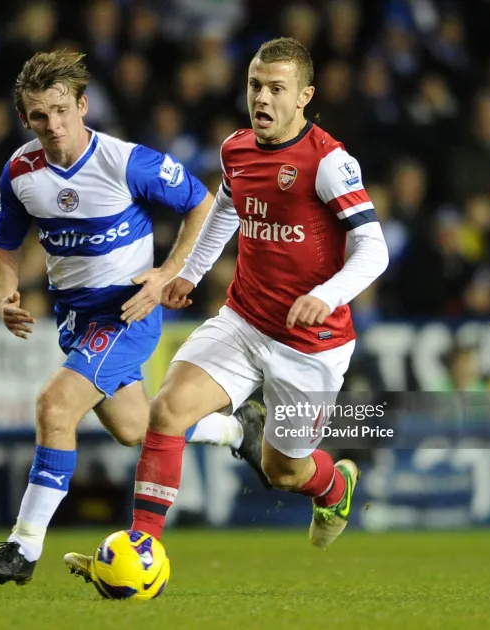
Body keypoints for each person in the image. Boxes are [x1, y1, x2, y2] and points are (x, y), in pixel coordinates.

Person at [64, 37, 389, 580]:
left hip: (312, 344)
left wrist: (325, 294)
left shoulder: (329, 163)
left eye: (277, 89)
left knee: (283, 471)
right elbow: (226, 209)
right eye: (255, 85)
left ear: (305, 96)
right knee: (166, 412)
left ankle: (336, 486)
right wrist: (187, 273)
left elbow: (373, 248)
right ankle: (142, 551)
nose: (262, 97)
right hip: (243, 320)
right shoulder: (237, 149)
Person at [0, 50, 266, 586]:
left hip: (126, 313)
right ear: (26, 120)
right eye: (39, 116)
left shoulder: (126, 161)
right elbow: (4, 243)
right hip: (78, 322)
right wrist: (6, 291)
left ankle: (23, 548)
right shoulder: (20, 171)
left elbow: (202, 203)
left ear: (82, 105)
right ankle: (234, 428)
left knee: (54, 405)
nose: (53, 126)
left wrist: (167, 274)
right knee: (136, 427)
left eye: (61, 110)